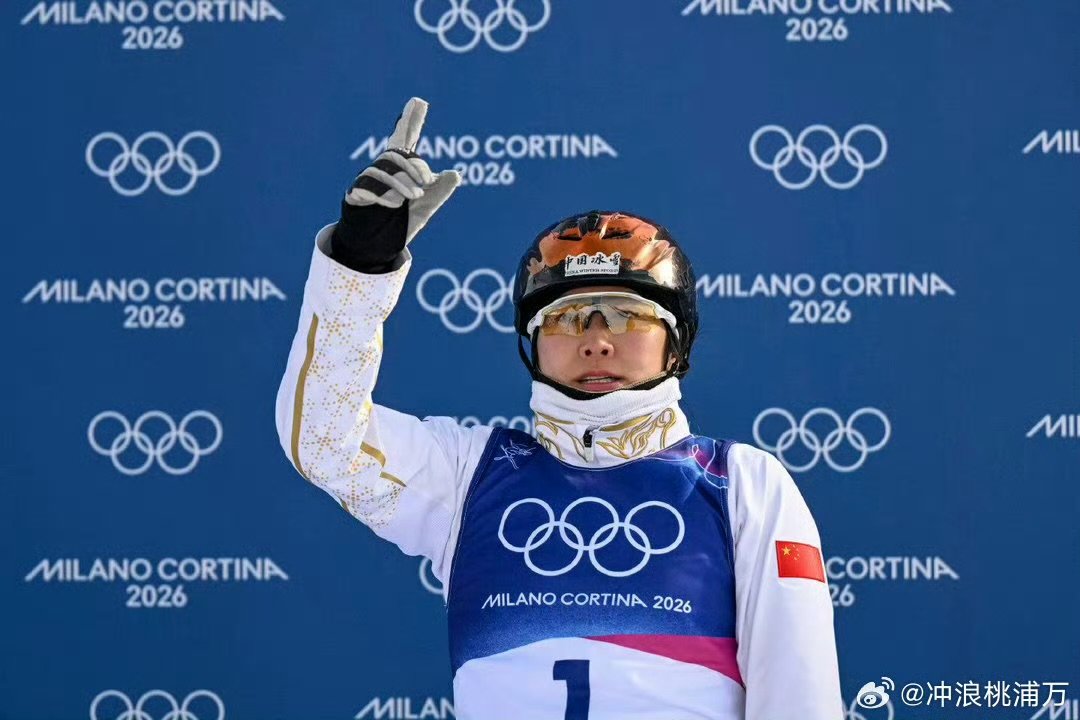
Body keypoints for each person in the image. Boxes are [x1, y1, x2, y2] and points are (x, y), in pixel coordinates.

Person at [275, 97, 844, 720]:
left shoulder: (744, 484)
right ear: (532, 345)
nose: (596, 340)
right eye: (567, 318)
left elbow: (801, 699)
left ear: (676, 342)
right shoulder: (468, 475)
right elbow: (325, 440)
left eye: (627, 316)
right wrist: (359, 267)